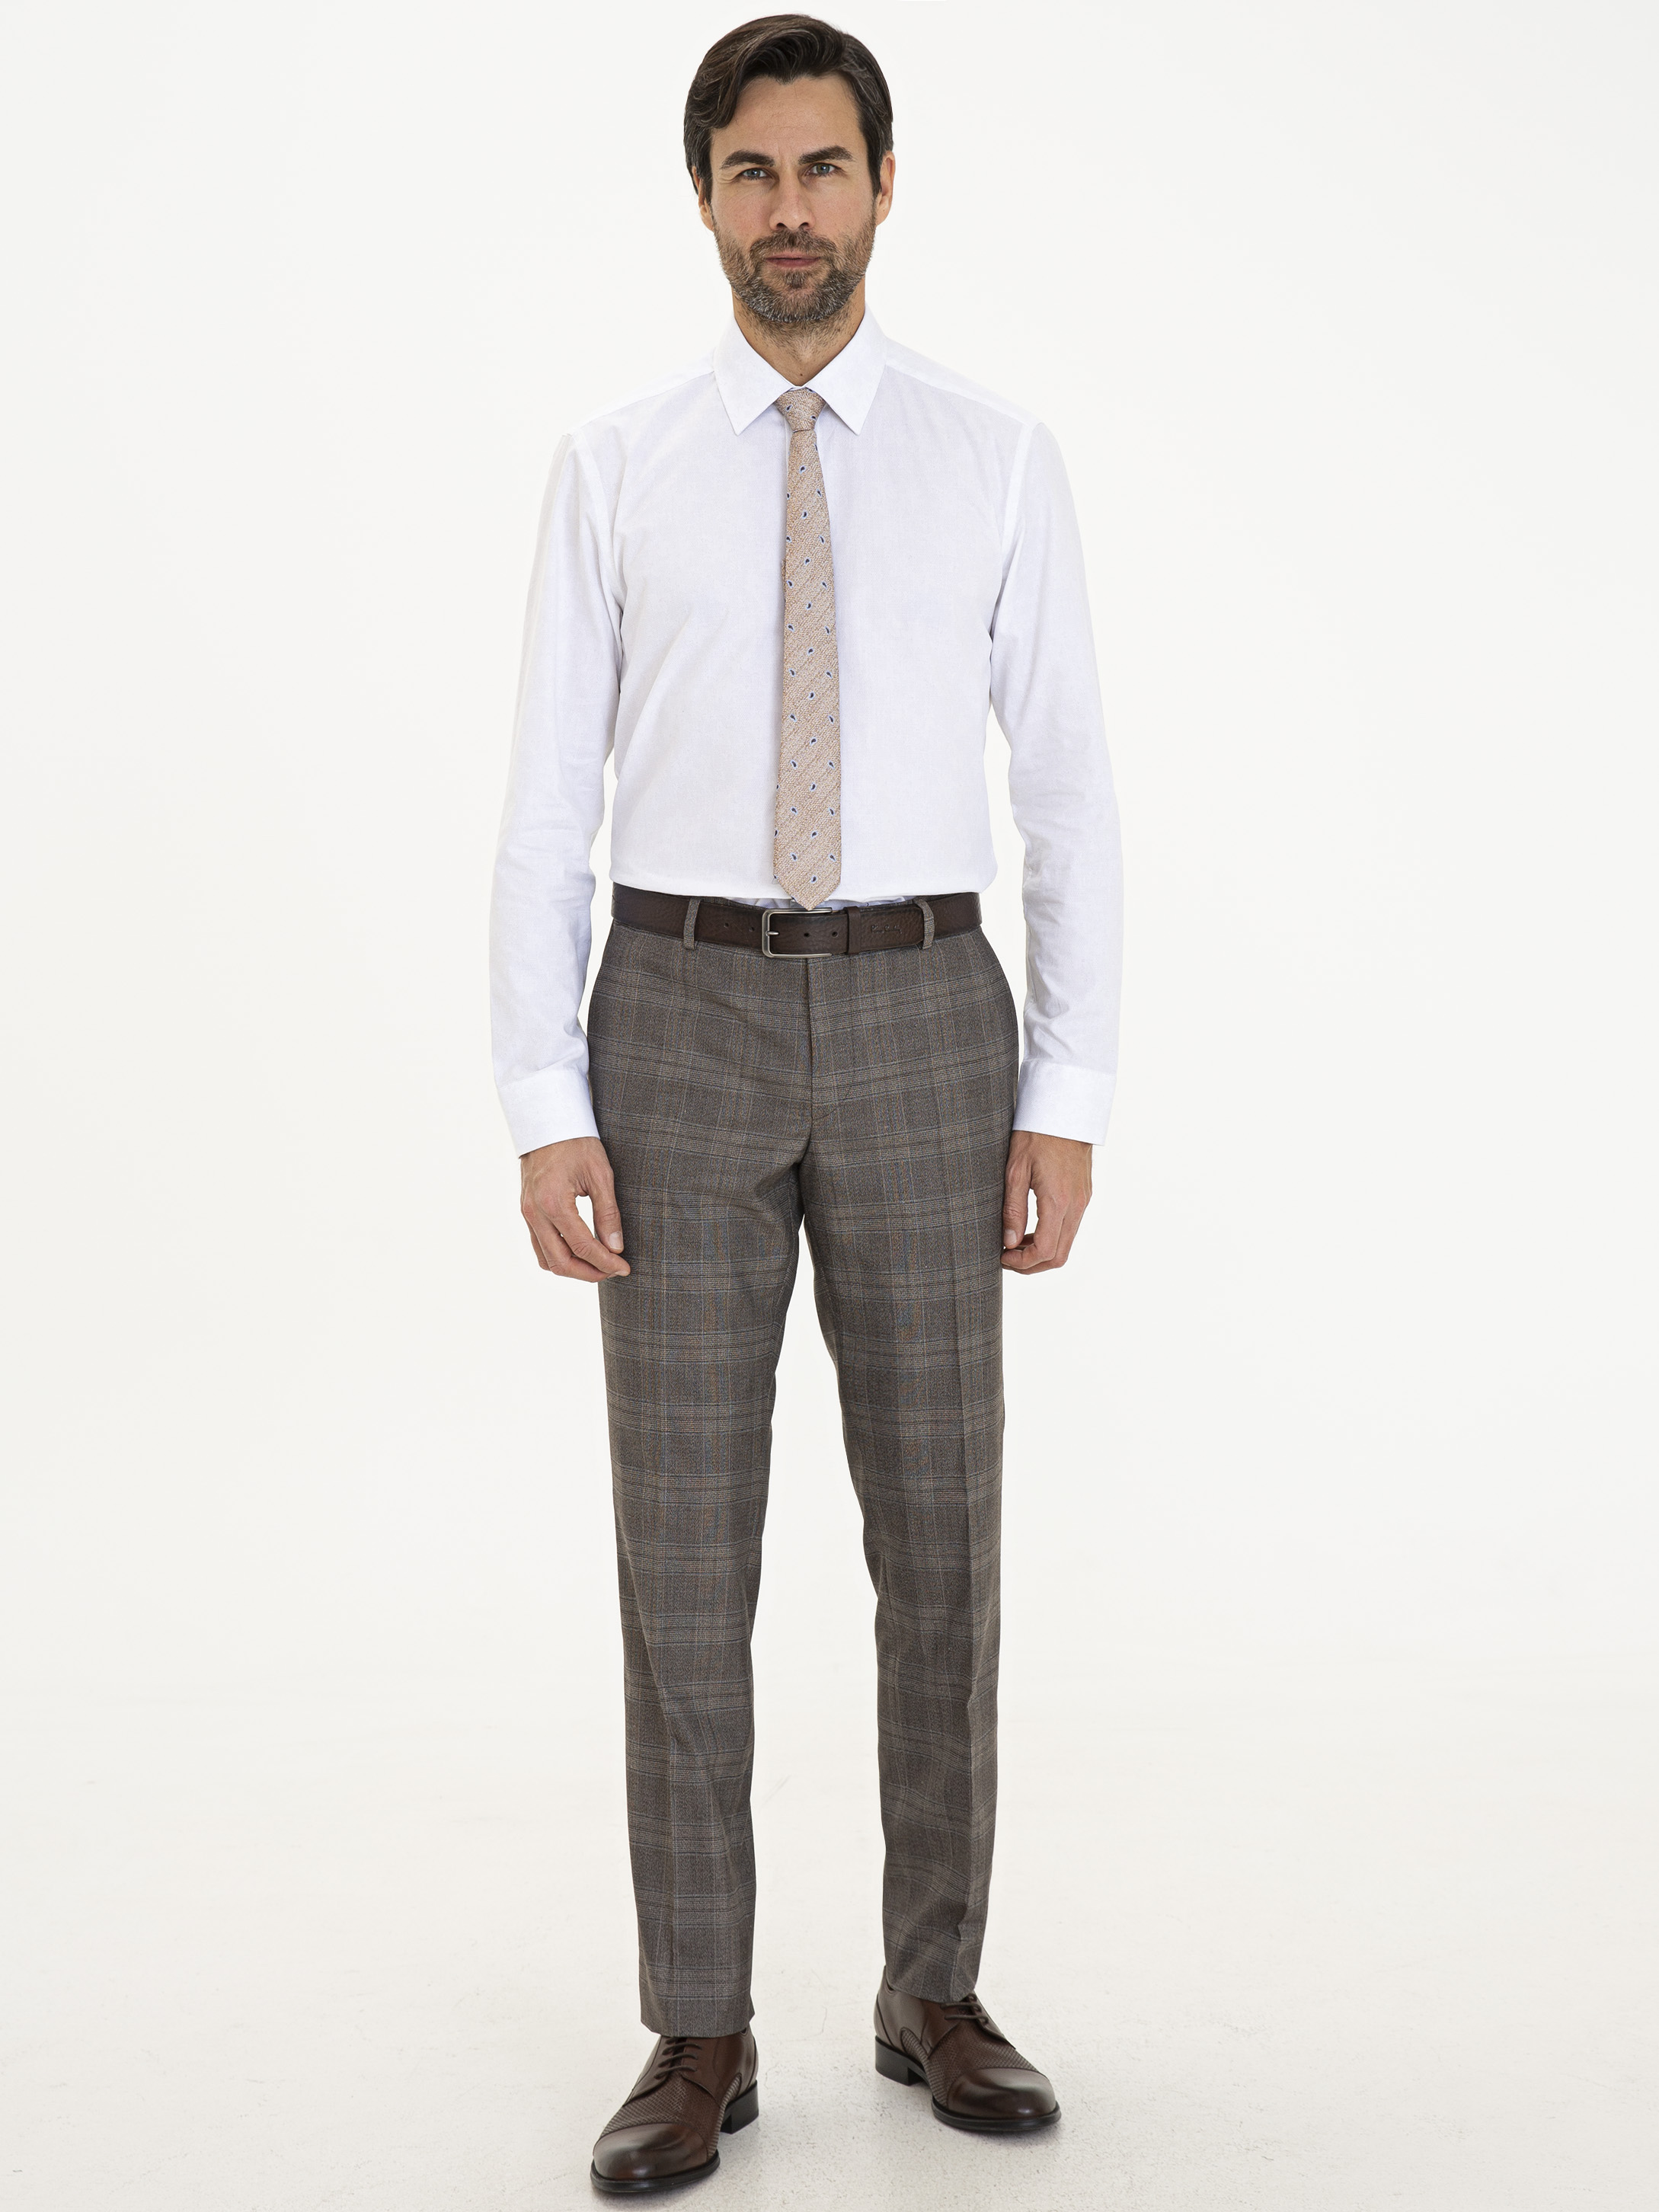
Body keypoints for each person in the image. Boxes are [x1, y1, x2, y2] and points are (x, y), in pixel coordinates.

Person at [490, 13, 1121, 2194]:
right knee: (684, 1545)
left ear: (882, 187)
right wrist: (541, 1097)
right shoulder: (614, 463)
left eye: (823, 167)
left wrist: (1068, 1087)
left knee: (941, 1527)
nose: (790, 210)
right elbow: (541, 808)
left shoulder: (994, 455)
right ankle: (699, 2022)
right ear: (703, 197)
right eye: (751, 171)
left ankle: (933, 1986)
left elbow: (1069, 793)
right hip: (671, 1011)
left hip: (929, 1007)